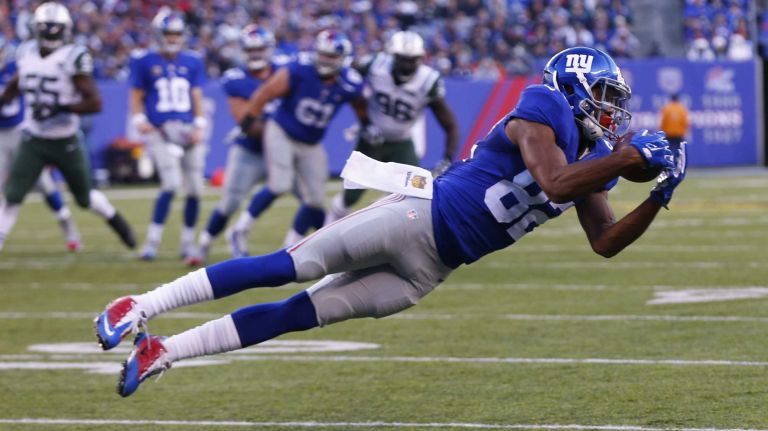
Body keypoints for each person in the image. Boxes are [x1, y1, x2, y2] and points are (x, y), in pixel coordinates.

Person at [94, 47, 687, 398]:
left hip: (429, 270)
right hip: (416, 215)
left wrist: (657, 197)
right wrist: (632, 157)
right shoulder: (544, 106)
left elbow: (606, 242)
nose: (612, 110)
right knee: (287, 267)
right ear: (574, 85)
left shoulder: (593, 166)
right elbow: (553, 182)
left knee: (298, 315)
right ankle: (140, 305)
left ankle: (163, 352)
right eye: (604, 94)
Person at [0, 2, 135, 252]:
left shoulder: (73, 56)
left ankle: (117, 221)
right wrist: (5, 97)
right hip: (34, 137)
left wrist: (62, 108)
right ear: (37, 29)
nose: (51, 33)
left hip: (65, 138)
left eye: (55, 28)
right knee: (14, 193)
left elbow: (95, 102)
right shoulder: (26, 52)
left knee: (83, 198)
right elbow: (19, 81)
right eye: (46, 28)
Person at [224, 29, 367, 256]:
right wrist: (247, 122)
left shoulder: (350, 83)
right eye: (323, 54)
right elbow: (265, 93)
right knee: (279, 184)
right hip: (281, 130)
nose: (325, 60)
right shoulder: (300, 69)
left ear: (342, 59)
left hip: (311, 142)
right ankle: (240, 229)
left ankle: (290, 247)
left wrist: (366, 126)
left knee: (316, 201)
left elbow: (362, 107)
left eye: (331, 56)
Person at [324, 30, 459, 225]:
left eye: (412, 59)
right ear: (393, 56)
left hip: (402, 143)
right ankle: (325, 230)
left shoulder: (428, 81)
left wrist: (447, 157)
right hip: (372, 140)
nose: (408, 64)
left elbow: (450, 124)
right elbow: (349, 79)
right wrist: (365, 121)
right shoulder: (376, 66)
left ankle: (380, 220)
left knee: (413, 194)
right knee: (351, 196)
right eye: (403, 59)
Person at [184, 25, 281, 267]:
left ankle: (311, 246)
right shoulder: (236, 79)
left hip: (282, 148)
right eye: (251, 49)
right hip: (250, 149)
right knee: (230, 202)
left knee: (305, 195)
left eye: (260, 49)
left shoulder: (285, 72)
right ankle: (204, 243)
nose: (256, 54)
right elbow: (246, 122)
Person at [131, 9, 207, 260]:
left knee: (195, 189)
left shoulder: (193, 60)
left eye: (176, 34)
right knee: (171, 185)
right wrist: (140, 119)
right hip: (160, 129)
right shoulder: (144, 60)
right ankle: (152, 243)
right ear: (158, 34)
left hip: (187, 130)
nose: (173, 38)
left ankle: (188, 243)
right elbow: (137, 94)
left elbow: (196, 94)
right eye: (168, 33)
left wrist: (199, 123)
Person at [0, 37, 83, 252]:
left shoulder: (17, 67)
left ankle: (67, 224)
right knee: (8, 192)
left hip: (22, 134)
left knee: (44, 184)